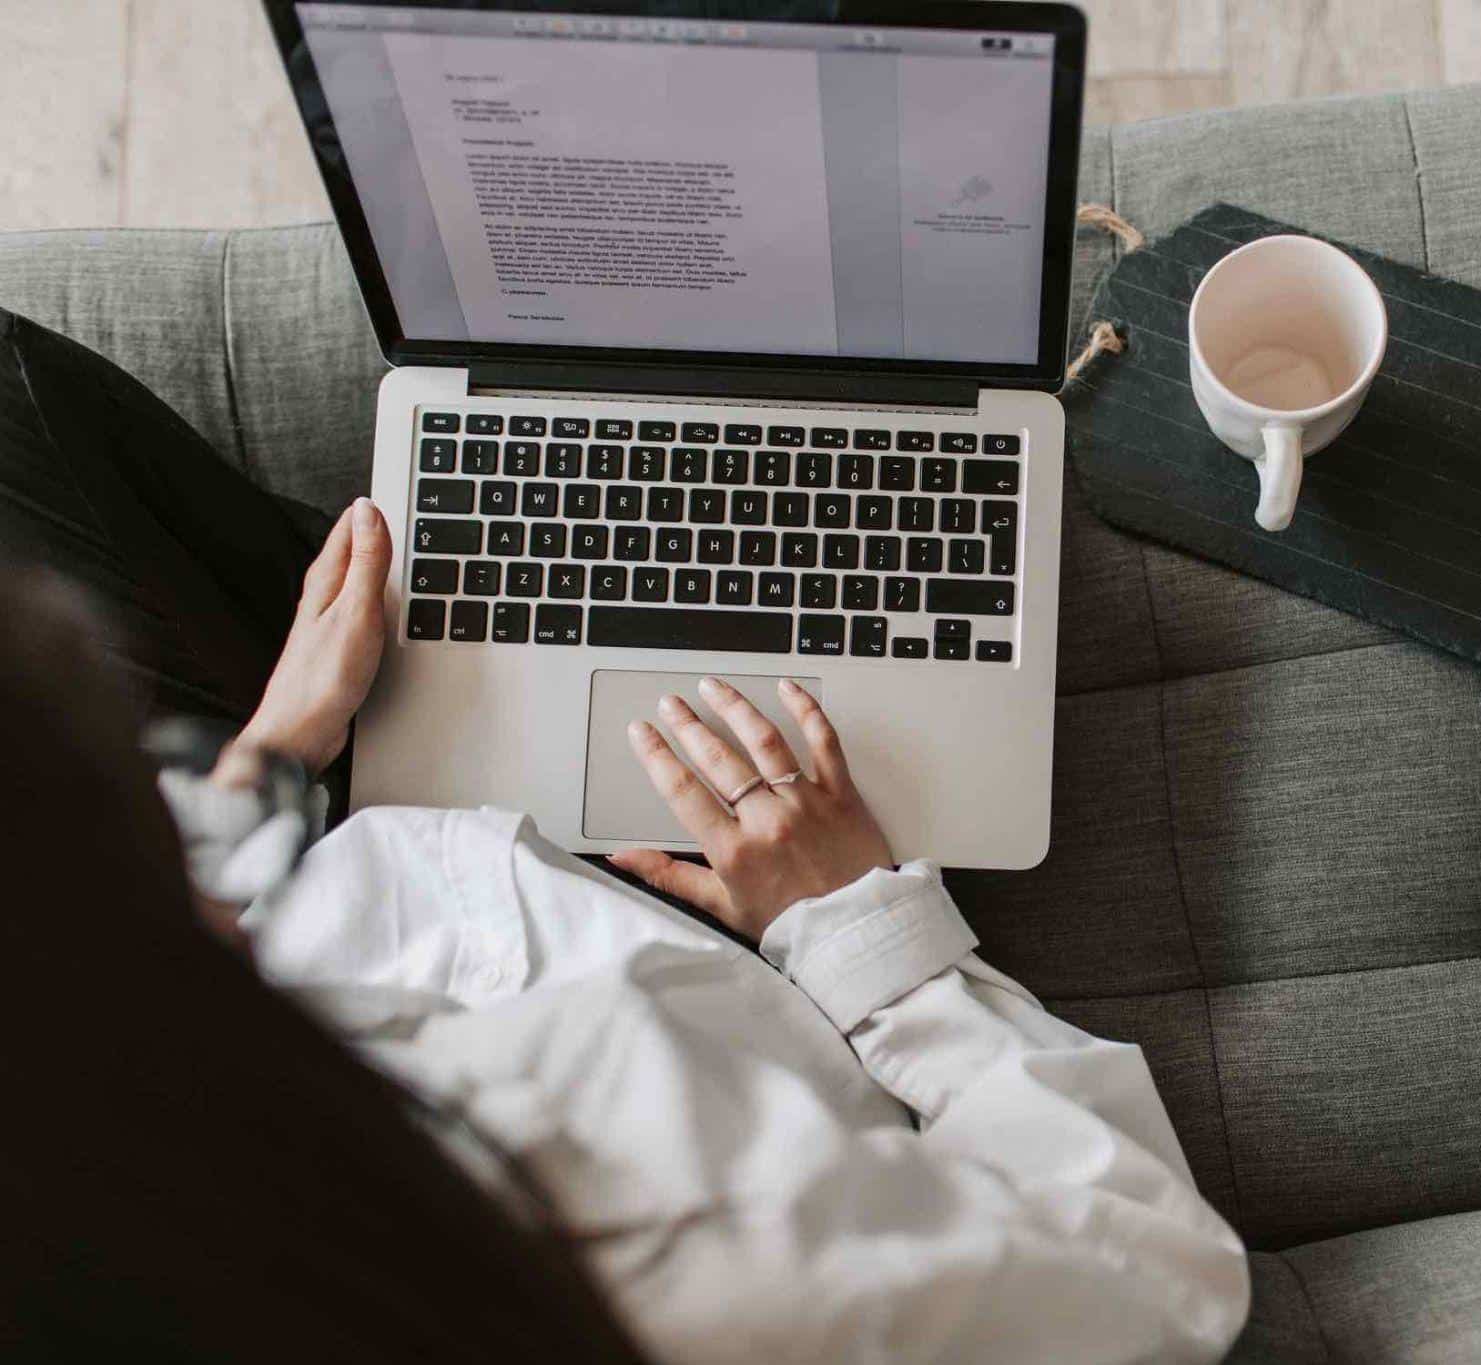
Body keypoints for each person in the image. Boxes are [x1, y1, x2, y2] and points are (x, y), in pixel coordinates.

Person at [0, 307, 1250, 1364]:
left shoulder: (95, 1116)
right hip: (692, 914)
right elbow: (1167, 1281)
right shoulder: (709, 1244)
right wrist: (861, 926)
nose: (185, 795)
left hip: (331, 840)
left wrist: (269, 759)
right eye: (154, 795)